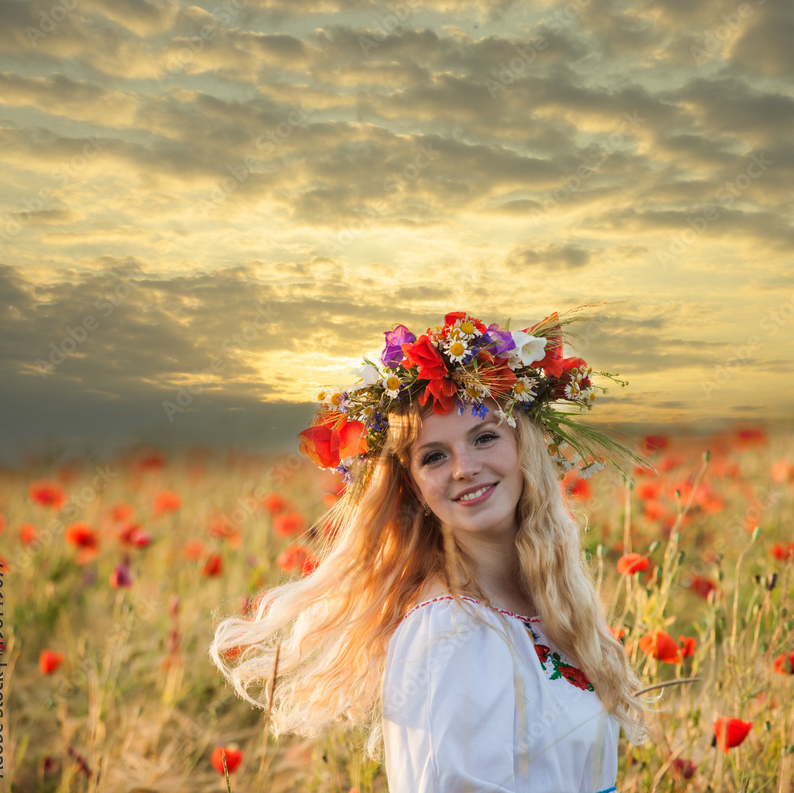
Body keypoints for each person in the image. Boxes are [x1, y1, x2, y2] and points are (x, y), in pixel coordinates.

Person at [209, 307, 657, 792]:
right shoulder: (449, 631)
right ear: (414, 488)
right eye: (434, 456)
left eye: (485, 437)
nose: (464, 468)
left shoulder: (551, 609)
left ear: (525, 449)